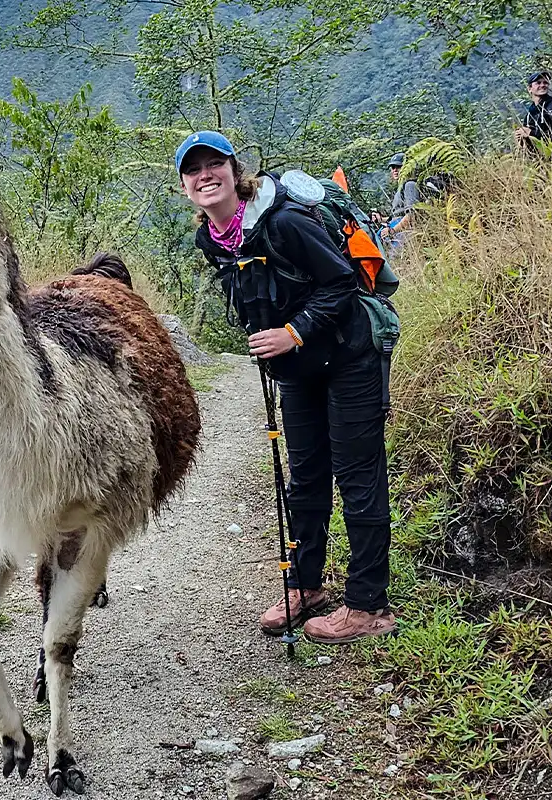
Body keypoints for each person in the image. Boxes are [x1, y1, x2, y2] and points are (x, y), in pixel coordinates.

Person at [175, 131, 396, 644]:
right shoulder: (212, 239)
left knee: (357, 472)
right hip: (297, 369)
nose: (205, 176)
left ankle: (369, 606)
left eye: (215, 165)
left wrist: (292, 332)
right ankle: (306, 585)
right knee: (305, 478)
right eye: (194, 170)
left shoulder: (285, 223)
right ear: (185, 185)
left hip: (349, 353)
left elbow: (341, 282)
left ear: (235, 171)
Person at [513, 70, 552, 157]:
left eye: (545, 83)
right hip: (541, 158)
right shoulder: (529, 114)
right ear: (530, 89)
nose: (542, 85)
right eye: (538, 83)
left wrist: (531, 133)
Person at [387, 152, 417, 234]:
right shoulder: (400, 188)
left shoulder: (410, 185)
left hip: (403, 233)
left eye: (399, 167)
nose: (395, 170)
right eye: (393, 167)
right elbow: (398, 213)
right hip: (396, 227)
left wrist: (392, 231)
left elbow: (411, 215)